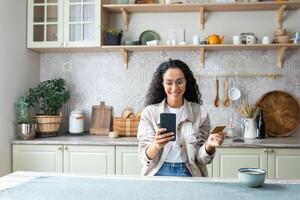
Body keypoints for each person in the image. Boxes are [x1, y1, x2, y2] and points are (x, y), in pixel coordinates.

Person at [137, 59, 224, 177]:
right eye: (169, 82)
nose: (174, 87)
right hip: (157, 172)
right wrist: (156, 145)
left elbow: (203, 160)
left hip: (190, 172)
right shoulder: (149, 113)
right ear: (161, 83)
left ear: (186, 82)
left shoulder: (200, 113)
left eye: (179, 82)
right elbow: (144, 158)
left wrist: (209, 145)